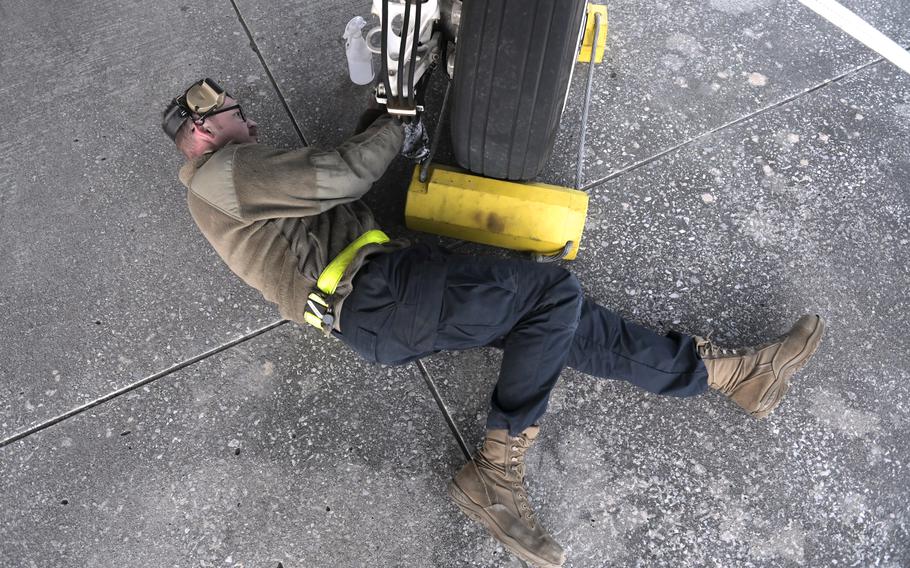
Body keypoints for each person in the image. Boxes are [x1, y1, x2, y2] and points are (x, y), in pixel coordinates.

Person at [163, 79, 825, 568]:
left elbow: (330, 181)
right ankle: (497, 469)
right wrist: (394, 127)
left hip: (383, 304)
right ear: (200, 130)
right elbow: (340, 174)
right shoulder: (219, 176)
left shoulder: (226, 186)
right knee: (552, 298)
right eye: (234, 115)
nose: (249, 124)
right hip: (379, 297)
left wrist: (384, 113)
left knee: (567, 325)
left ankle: (730, 374)